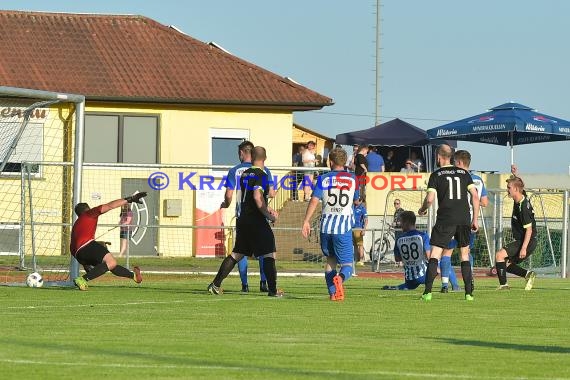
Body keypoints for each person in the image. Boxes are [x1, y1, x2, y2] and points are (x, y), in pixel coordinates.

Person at [209, 146, 282, 297]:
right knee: (269, 253)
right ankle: (273, 290)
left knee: (237, 254)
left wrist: (267, 208)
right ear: (265, 158)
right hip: (256, 220)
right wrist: (269, 215)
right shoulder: (261, 174)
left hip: (243, 219)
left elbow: (253, 196)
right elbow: (257, 197)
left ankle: (215, 284)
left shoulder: (245, 174)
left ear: (251, 156)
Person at [417, 144, 479, 302]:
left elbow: (430, 199)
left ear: (438, 157)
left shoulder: (437, 174)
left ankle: (428, 292)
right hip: (464, 219)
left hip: (446, 219)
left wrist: (422, 209)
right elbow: (475, 196)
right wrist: (475, 219)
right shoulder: (464, 174)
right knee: (464, 255)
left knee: (436, 255)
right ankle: (469, 293)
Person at [302, 147, 358, 301]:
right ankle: (340, 279)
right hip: (343, 227)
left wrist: (306, 221)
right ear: (344, 162)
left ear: (330, 162)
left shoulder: (323, 179)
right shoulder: (353, 179)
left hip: (326, 227)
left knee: (330, 261)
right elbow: (356, 200)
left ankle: (333, 294)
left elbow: (314, 200)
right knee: (347, 265)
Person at [220, 140, 274, 292]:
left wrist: (226, 204)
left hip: (241, 216)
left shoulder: (236, 171)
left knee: (240, 252)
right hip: (259, 216)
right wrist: (268, 209)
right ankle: (265, 284)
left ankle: (244, 285)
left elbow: (229, 195)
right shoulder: (264, 171)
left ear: (243, 153)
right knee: (266, 251)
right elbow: (270, 193)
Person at [70, 192, 146, 290]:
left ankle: (134, 276)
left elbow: (73, 247)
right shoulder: (89, 214)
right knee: (111, 262)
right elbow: (110, 206)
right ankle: (82, 279)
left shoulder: (77, 223)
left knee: (109, 265)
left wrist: (85, 263)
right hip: (87, 246)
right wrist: (130, 199)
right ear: (88, 209)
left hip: (78, 254)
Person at [440, 150, 489, 293]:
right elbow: (484, 202)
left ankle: (445, 285)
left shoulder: (454, 178)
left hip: (452, 218)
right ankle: (469, 281)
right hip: (469, 221)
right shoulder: (478, 180)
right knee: (465, 253)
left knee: (446, 252)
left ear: (459, 162)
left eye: (454, 162)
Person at [494, 165, 537, 291]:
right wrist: (514, 174)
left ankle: (504, 285)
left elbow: (528, 230)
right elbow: (519, 183)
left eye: (509, 188)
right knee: (504, 263)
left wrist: (523, 248)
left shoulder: (523, 208)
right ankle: (528, 275)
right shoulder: (520, 196)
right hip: (524, 240)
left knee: (499, 255)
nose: (507, 190)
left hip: (527, 241)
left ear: (516, 189)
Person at [381, 211, 431, 290]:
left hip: (409, 278)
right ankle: (449, 286)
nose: (400, 225)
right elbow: (429, 256)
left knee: (409, 285)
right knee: (444, 259)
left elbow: (397, 259)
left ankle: (397, 287)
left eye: (401, 222)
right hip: (423, 275)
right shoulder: (423, 236)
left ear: (407, 222)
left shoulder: (399, 239)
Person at [352, 197, 368, 266]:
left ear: (360, 201)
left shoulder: (362, 208)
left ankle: (361, 260)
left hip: (359, 228)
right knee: (354, 245)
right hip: (352, 228)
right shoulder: (352, 207)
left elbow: (366, 220)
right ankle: (355, 259)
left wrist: (364, 229)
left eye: (356, 199)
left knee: (360, 245)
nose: (354, 201)